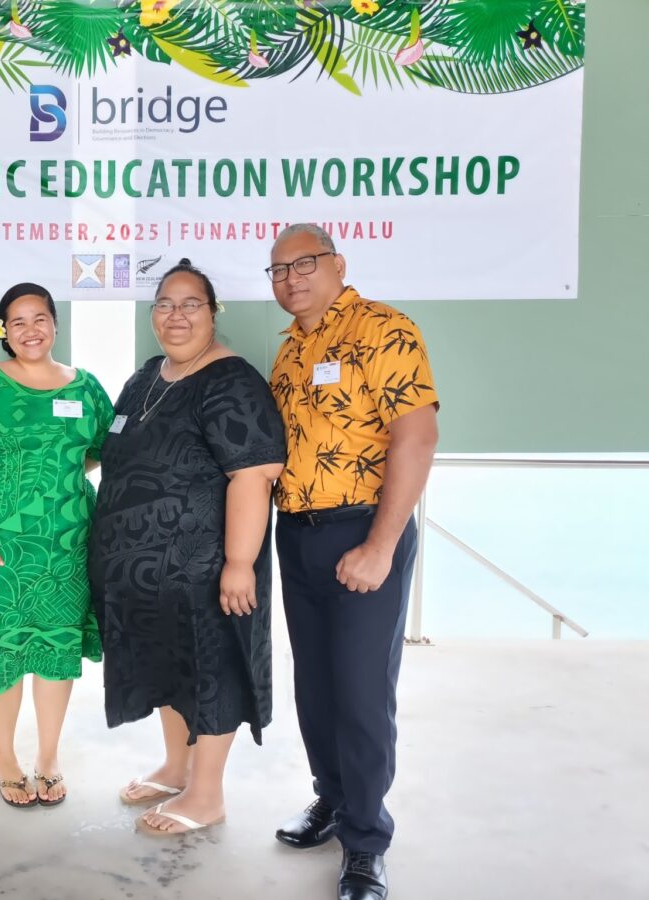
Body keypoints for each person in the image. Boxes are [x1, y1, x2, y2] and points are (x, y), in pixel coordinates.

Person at [266, 224, 439, 900]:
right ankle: (332, 801)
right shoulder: (288, 353)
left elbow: (417, 437)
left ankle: (366, 841)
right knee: (317, 687)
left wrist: (380, 546)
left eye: (303, 264)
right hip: (297, 533)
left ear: (337, 264)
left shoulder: (383, 329)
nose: (290, 279)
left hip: (365, 530)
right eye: (277, 270)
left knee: (363, 692)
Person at [88, 258, 286, 836]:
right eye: (165, 305)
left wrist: (240, 564)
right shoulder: (148, 375)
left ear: (212, 312)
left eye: (190, 304)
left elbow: (255, 473)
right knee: (172, 669)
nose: (176, 316)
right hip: (149, 579)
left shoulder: (231, 380)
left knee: (211, 670)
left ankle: (206, 795)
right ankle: (177, 767)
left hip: (206, 569)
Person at [0, 283, 113, 808]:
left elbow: (100, 450)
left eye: (39, 318)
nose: (30, 330)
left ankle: (47, 757)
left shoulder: (85, 387)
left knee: (57, 651)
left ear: (55, 324)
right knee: (5, 651)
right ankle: (5, 758)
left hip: (67, 545)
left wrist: (53, 484)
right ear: (3, 331)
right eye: (17, 322)